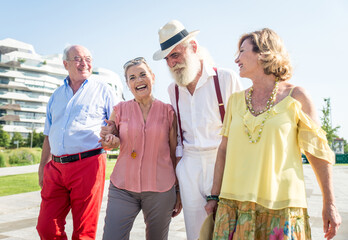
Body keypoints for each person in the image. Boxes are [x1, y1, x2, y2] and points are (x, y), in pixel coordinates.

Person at [205, 28, 341, 239]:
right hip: (234, 208)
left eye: (242, 51)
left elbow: (318, 154)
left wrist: (329, 203)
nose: (236, 59)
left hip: (280, 208)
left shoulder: (297, 97)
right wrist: (214, 196)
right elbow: (223, 150)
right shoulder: (235, 101)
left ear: (263, 53)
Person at [153, 20, 242, 240]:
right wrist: (178, 176)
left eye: (176, 55)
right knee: (195, 234)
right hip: (190, 168)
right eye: (168, 59)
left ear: (193, 48)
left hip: (222, 162)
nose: (172, 63)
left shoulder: (224, 78)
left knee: (229, 230)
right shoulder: (172, 90)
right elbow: (179, 138)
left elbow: (242, 126)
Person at [36, 45, 118, 240]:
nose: (84, 63)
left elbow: (117, 124)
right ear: (65, 64)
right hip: (55, 167)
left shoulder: (103, 90)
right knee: (46, 227)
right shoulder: (56, 96)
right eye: (78, 59)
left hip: (88, 164)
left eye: (88, 59)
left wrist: (111, 134)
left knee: (84, 232)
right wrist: (42, 167)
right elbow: (49, 134)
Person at [100, 57, 182, 240]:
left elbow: (173, 152)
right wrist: (109, 139)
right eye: (132, 77)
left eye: (143, 74)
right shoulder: (119, 109)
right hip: (123, 188)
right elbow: (108, 139)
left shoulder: (168, 111)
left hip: (161, 190)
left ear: (152, 77)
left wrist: (178, 190)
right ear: (128, 84)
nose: (138, 80)